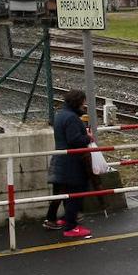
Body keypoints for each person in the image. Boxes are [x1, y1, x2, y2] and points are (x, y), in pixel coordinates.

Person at [43, 89, 93, 239]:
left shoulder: (60, 115)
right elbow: (74, 139)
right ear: (77, 102)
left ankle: (64, 219)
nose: (84, 106)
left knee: (63, 192)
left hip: (60, 158)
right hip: (72, 162)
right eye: (83, 103)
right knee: (76, 192)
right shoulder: (72, 118)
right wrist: (88, 138)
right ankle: (71, 226)